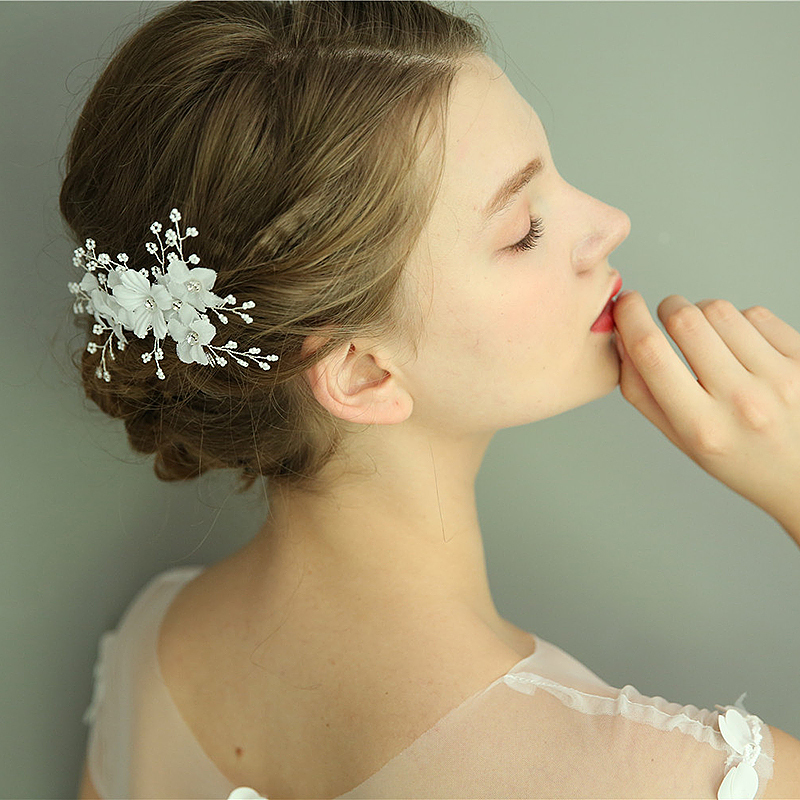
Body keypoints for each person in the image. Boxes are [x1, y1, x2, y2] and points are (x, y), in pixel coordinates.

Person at [62, 2, 800, 798]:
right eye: (524, 229)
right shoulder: (660, 778)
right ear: (361, 373)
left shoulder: (153, 647)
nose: (611, 223)